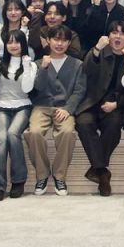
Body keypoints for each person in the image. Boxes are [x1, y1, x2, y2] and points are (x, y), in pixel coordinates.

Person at [24, 25, 86, 197]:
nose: (60, 44)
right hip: (41, 106)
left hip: (64, 108)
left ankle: (59, 176)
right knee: (34, 132)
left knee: (67, 133)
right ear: (48, 40)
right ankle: (42, 175)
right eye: (56, 39)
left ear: (69, 43)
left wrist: (68, 109)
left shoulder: (77, 64)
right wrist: (43, 68)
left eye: (64, 40)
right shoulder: (38, 63)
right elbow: (38, 87)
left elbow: (79, 90)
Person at [78, 22, 124, 196]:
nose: (118, 37)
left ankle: (97, 169)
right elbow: (86, 70)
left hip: (114, 106)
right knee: (83, 123)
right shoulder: (99, 51)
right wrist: (96, 49)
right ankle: (102, 171)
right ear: (108, 36)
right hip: (91, 103)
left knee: (114, 125)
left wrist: (116, 104)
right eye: (114, 33)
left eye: (122, 34)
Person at [0, 30, 36, 201]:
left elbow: (27, 88)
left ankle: (18, 180)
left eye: (17, 42)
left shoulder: (31, 64)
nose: (13, 45)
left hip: (23, 106)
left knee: (12, 134)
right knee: (1, 139)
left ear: (23, 44)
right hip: (2, 106)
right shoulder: (0, 62)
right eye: (10, 42)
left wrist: (27, 67)